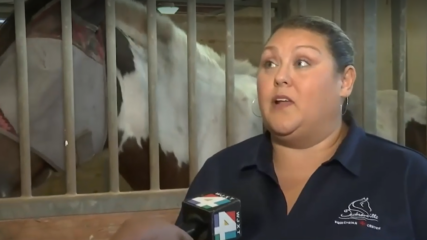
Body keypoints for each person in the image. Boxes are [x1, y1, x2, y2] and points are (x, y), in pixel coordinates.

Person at [111, 15, 427, 240]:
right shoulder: (222, 173)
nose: (280, 77)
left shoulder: (406, 174)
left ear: (345, 81)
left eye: (302, 62)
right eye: (269, 63)